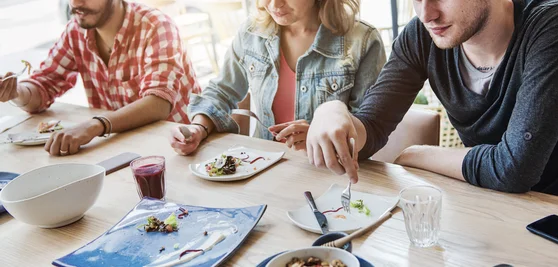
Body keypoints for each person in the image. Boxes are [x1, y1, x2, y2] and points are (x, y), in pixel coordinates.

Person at [306, 0, 558, 203]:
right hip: (484, 200)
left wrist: (417, 154)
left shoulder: (557, 23)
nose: (426, 14)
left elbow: (514, 169)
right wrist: (332, 112)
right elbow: (371, 128)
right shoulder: (421, 36)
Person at [169, 0, 386, 155]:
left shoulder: (362, 41)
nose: (273, 4)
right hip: (262, 168)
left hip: (329, 176)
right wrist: (198, 127)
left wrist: (320, 136)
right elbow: (221, 91)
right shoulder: (251, 33)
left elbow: (369, 126)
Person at [0, 0, 200, 156]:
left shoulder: (156, 26)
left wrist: (94, 125)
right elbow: (43, 86)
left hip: (181, 148)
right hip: (124, 147)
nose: (76, 3)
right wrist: (16, 92)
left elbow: (159, 103)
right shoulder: (75, 31)